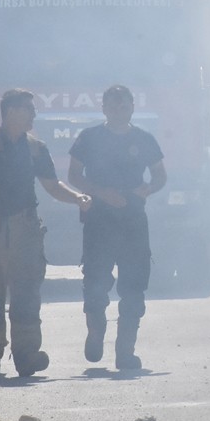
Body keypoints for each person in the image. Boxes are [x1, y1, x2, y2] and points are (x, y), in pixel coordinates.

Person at [0, 89, 91, 377]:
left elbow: (52, 185)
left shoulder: (36, 148)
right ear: (11, 112)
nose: (34, 115)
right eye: (28, 109)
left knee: (27, 292)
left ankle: (26, 355)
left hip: (25, 229)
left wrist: (78, 198)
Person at [68, 84, 166, 370]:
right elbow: (74, 174)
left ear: (132, 107)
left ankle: (125, 351)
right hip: (99, 221)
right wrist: (99, 192)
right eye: (112, 106)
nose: (118, 111)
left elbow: (160, 175)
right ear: (104, 109)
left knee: (134, 287)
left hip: (133, 221)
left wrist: (149, 189)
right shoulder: (89, 138)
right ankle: (96, 333)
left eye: (123, 106)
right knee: (96, 283)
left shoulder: (145, 139)